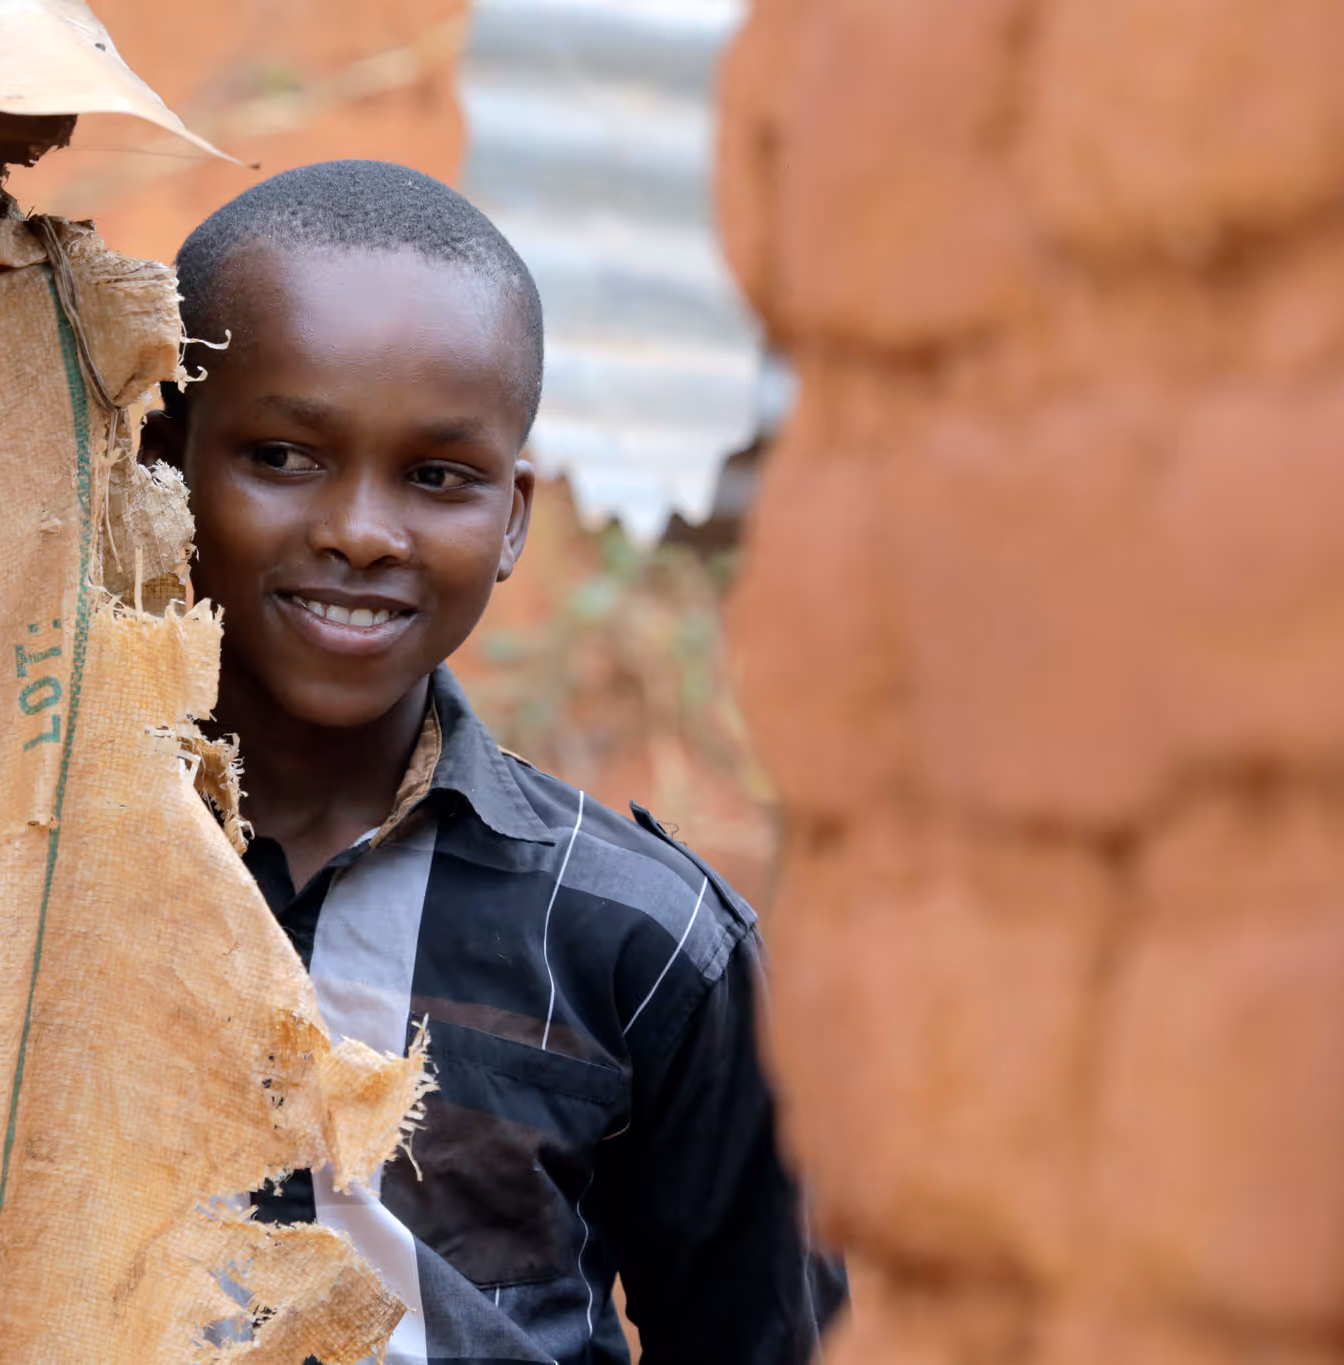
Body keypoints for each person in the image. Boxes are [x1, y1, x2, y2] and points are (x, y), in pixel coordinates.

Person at [140, 159, 842, 1365]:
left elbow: (767, 1331)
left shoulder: (640, 938)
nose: (360, 531)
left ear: (512, 518)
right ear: (164, 460)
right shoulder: (23, 861)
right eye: (282, 456)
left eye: (436, 478)